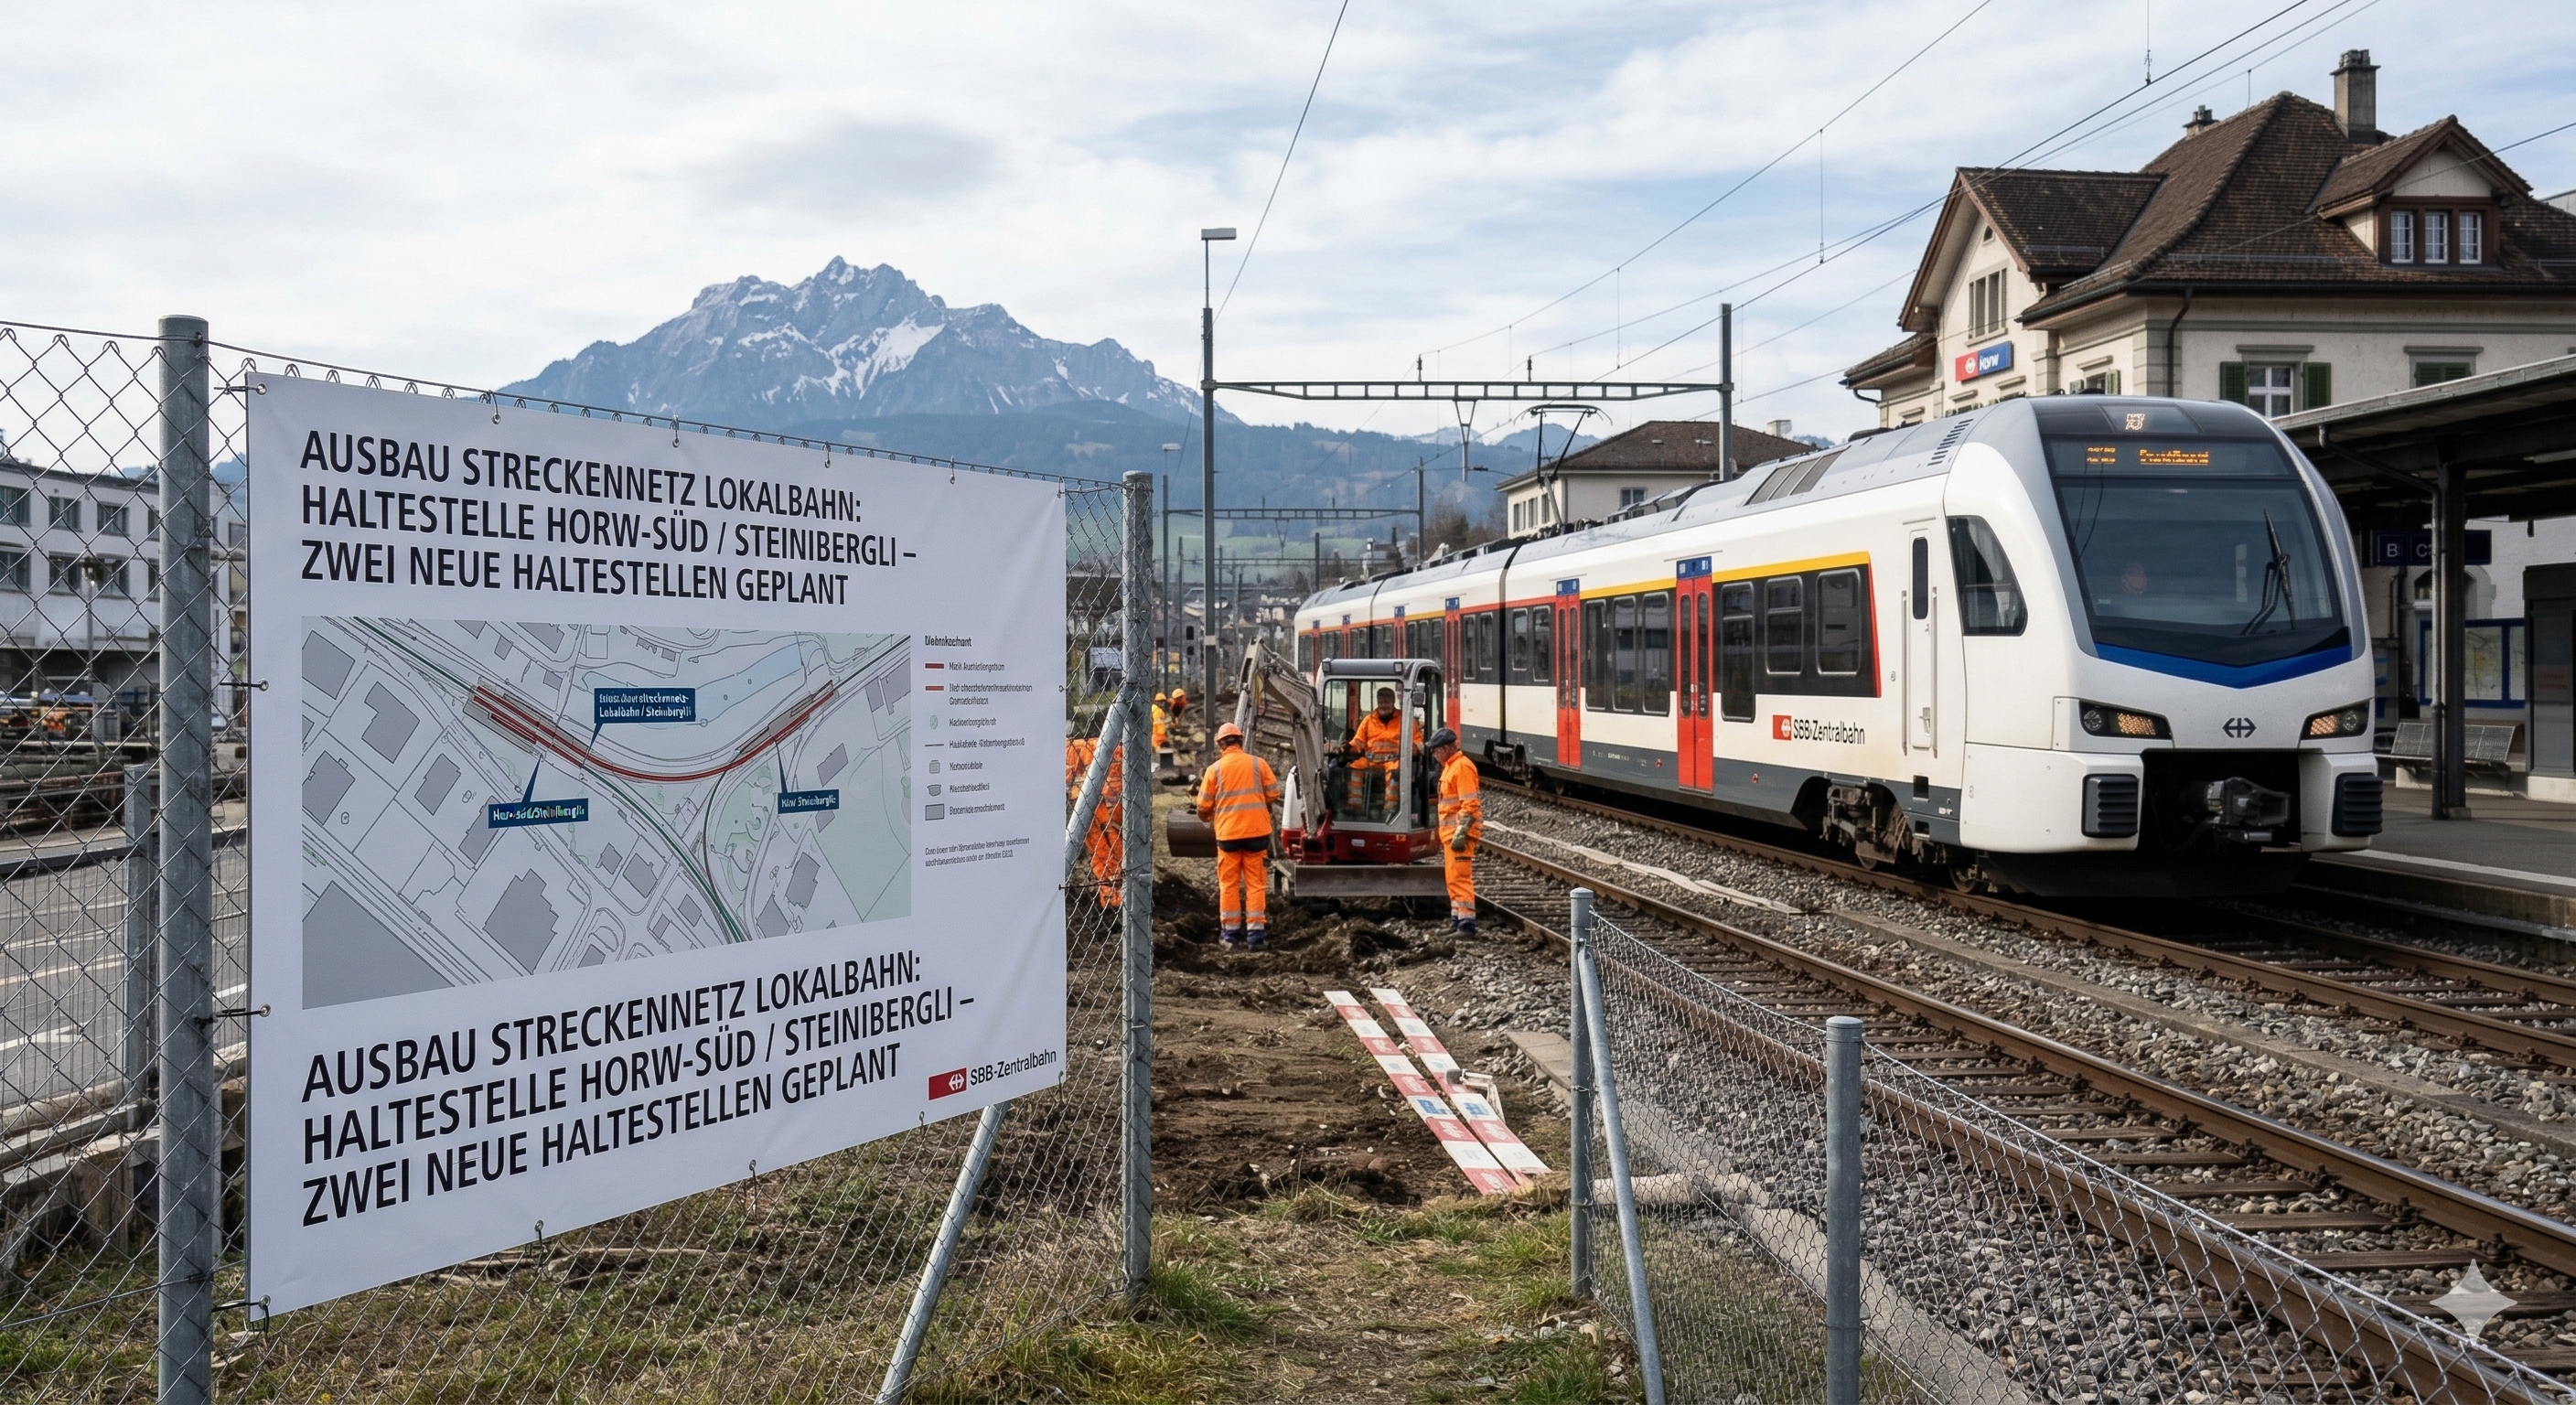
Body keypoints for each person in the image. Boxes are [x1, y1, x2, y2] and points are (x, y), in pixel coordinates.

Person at [1196, 721, 1281, 948]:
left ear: (1221, 744)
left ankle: (1230, 936)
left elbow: (1203, 805)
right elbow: (1273, 793)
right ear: (1240, 741)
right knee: (1256, 884)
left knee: (1229, 885)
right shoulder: (1258, 764)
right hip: (1257, 834)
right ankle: (1256, 936)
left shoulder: (1214, 770)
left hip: (1228, 837)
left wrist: (1207, 816)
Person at [1430, 727, 1481, 936]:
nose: (1434, 754)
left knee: (1460, 878)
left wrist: (1461, 832)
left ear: (1446, 748)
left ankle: (1467, 925)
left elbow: (1470, 804)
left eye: (1435, 750)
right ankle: (1456, 920)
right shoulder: (1451, 766)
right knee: (1452, 879)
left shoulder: (1461, 767)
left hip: (1458, 835)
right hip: (1451, 834)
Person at [1345, 686, 1404, 819]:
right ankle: (1355, 807)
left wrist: (1413, 750)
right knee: (1354, 768)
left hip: (1393, 761)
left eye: (1387, 702)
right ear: (1378, 702)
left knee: (1395, 771)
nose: (1384, 705)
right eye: (1382, 702)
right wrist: (1347, 748)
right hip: (1371, 760)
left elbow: (1417, 742)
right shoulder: (1368, 720)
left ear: (1393, 702)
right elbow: (1358, 742)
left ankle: (1390, 810)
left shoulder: (1404, 720)